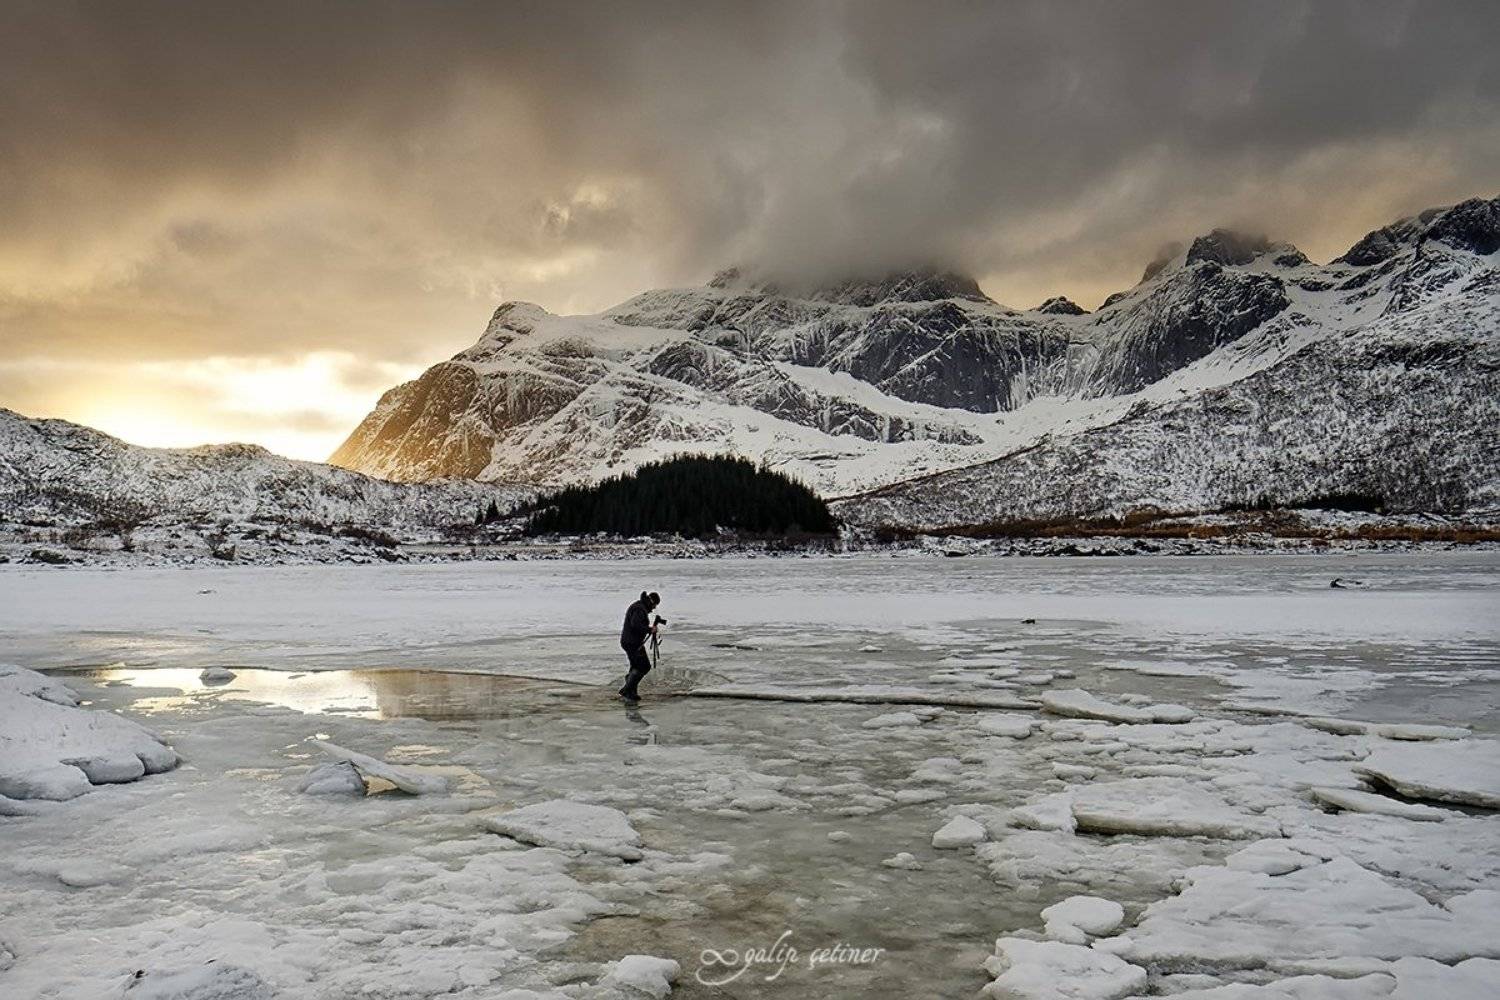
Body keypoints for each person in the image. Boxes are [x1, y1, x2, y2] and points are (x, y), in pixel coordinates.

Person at [618, 591, 661, 701]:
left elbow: (636, 624)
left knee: (636, 666)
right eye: (655, 605)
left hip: (630, 641)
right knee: (644, 666)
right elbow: (636, 625)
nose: (654, 608)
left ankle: (631, 692)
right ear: (651, 602)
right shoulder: (639, 608)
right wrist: (650, 629)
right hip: (632, 643)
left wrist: (649, 629)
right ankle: (627, 689)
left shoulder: (639, 606)